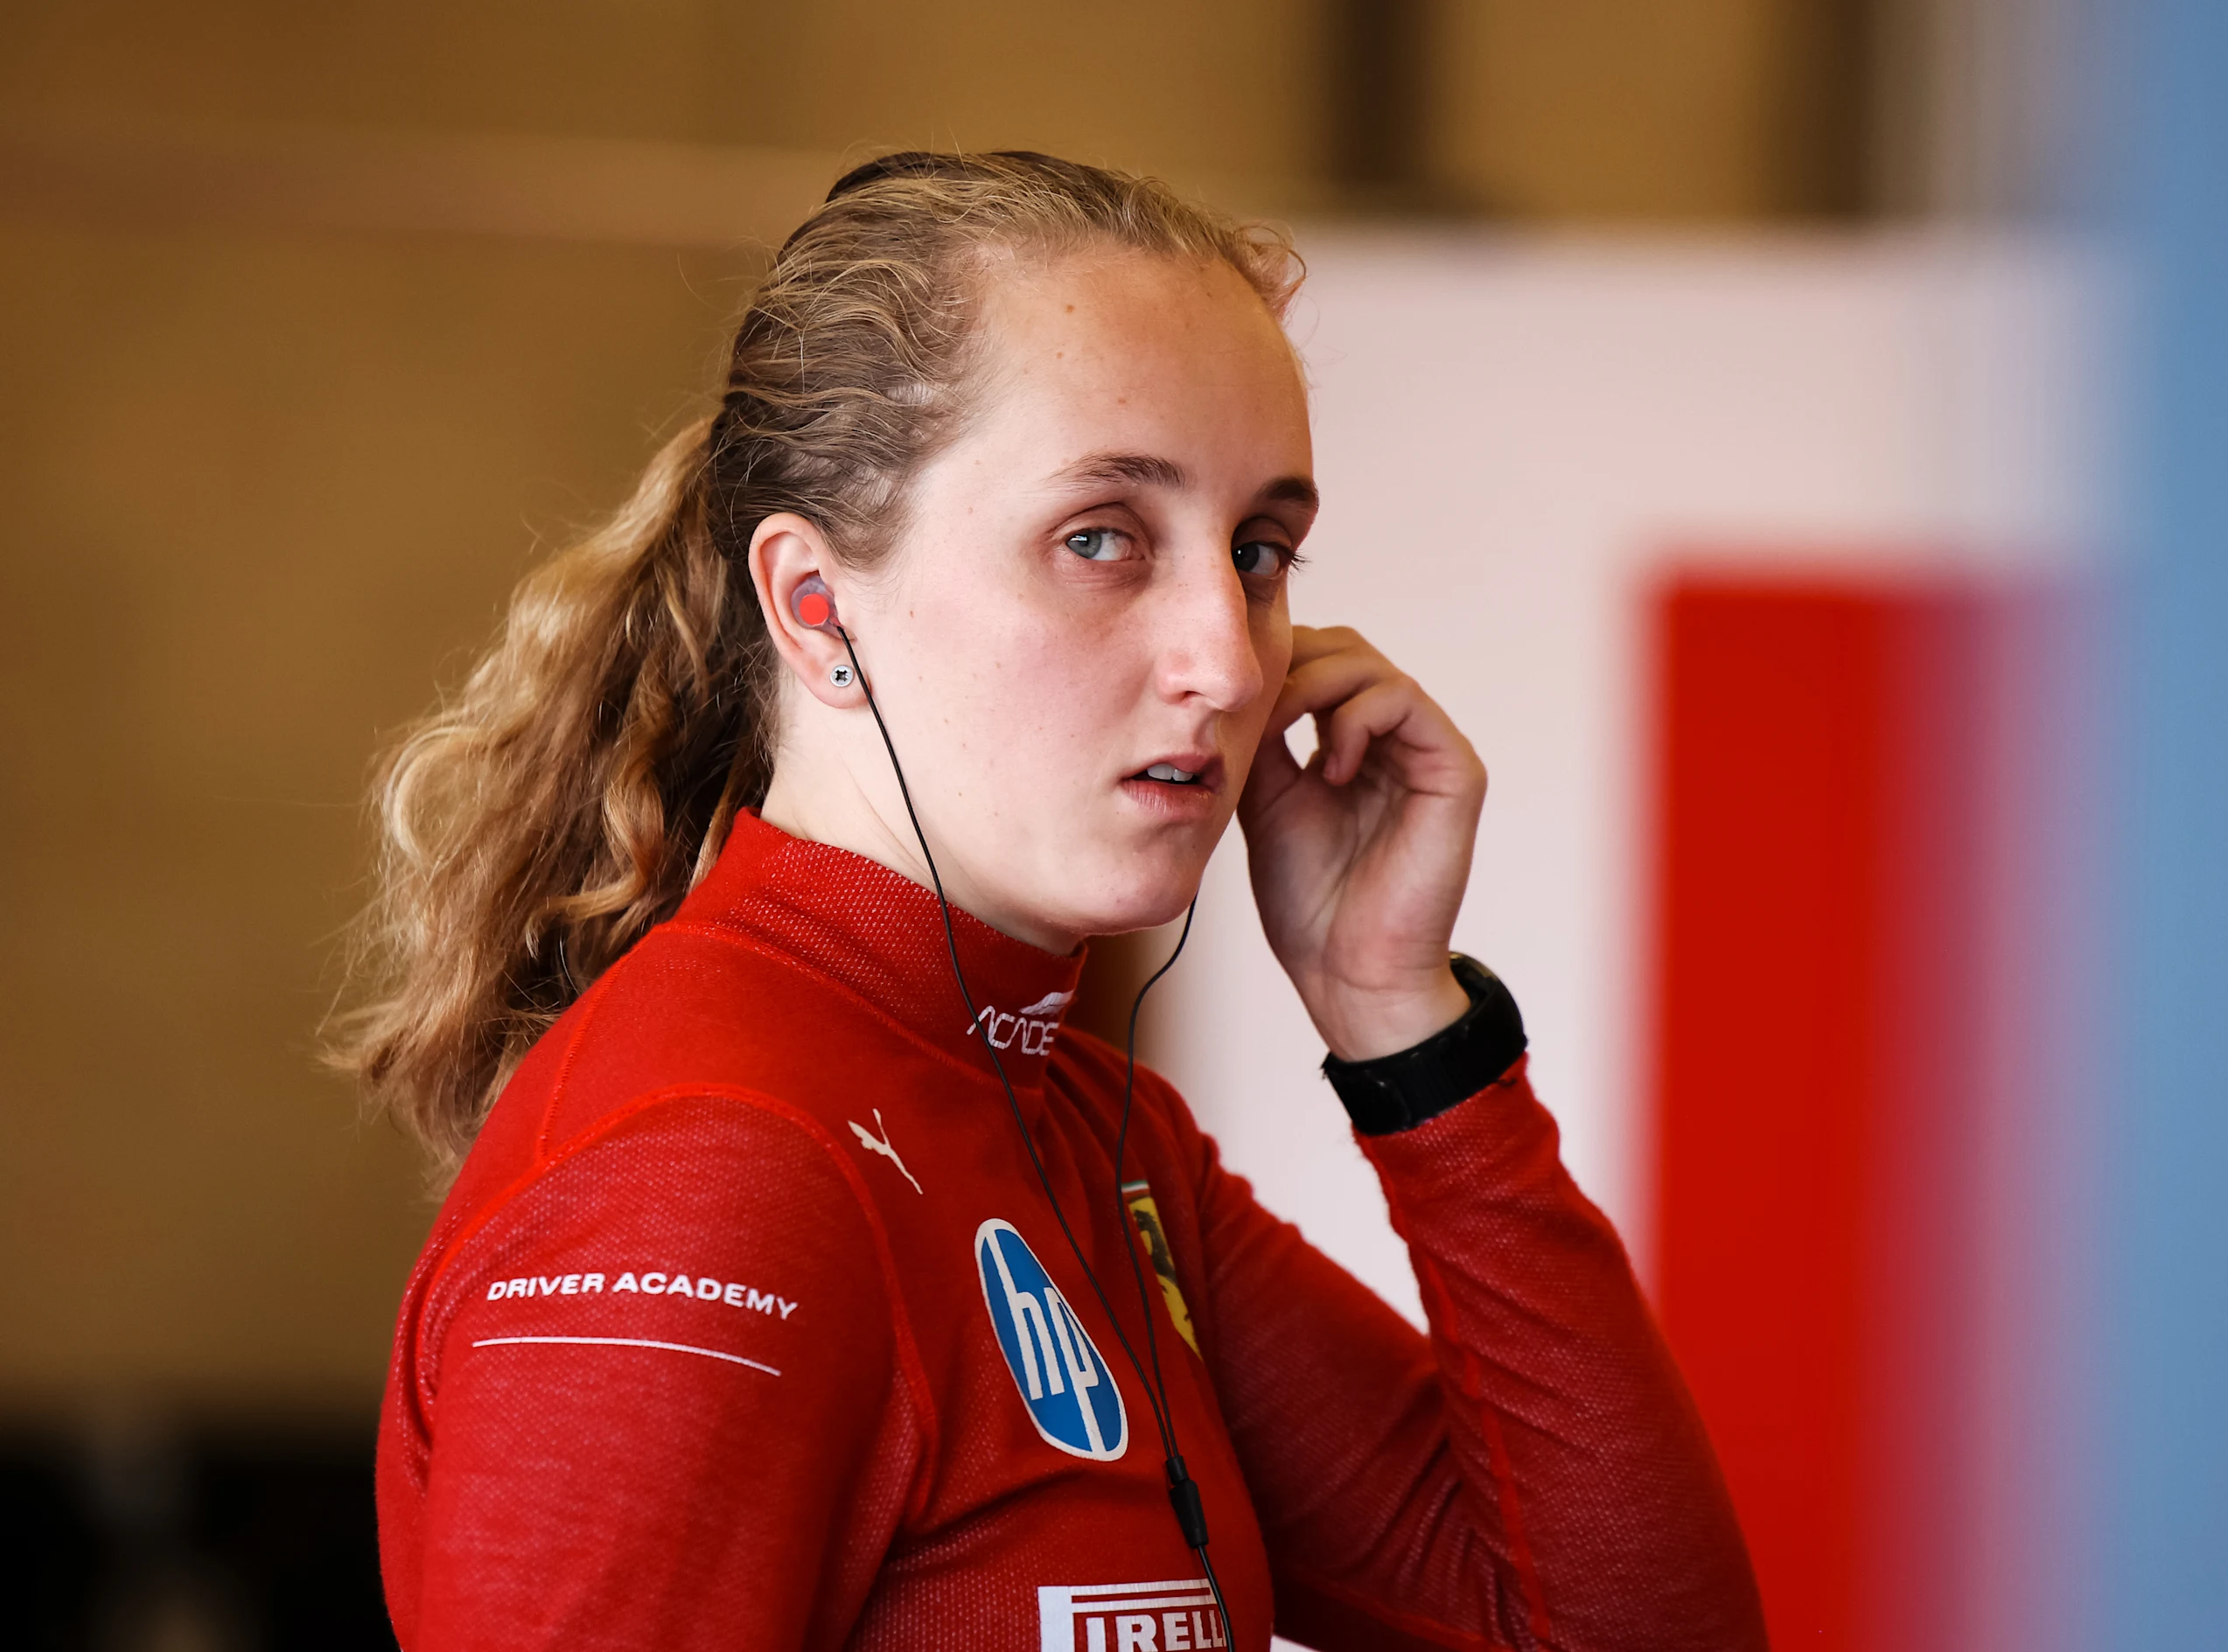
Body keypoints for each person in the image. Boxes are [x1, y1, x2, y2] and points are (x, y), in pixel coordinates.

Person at [334, 150, 1764, 1652]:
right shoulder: (714, 1167)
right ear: (818, 609)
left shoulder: (1095, 1138)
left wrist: (1403, 1024)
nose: (1227, 660)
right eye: (1101, 539)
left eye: (1258, 550)